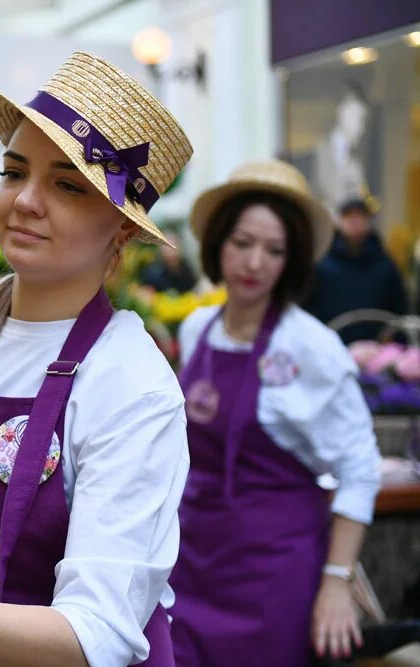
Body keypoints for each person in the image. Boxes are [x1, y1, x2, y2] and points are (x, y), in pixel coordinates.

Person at [0, 52, 193, 667]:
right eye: (12, 171)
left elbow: (93, 638)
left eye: (67, 184)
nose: (25, 200)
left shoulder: (131, 384)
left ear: (123, 229)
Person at [171, 160, 381, 666]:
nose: (255, 262)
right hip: (191, 566)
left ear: (293, 262)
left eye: (275, 250)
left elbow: (360, 468)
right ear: (219, 243)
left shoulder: (312, 346)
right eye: (243, 243)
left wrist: (335, 583)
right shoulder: (198, 329)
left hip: (275, 576)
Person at [303, 198, 407, 343]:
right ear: (339, 221)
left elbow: (399, 312)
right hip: (330, 345)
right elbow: (307, 309)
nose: (355, 222)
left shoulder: (385, 265)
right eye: (349, 216)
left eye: (361, 216)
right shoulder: (322, 265)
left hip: (377, 353)